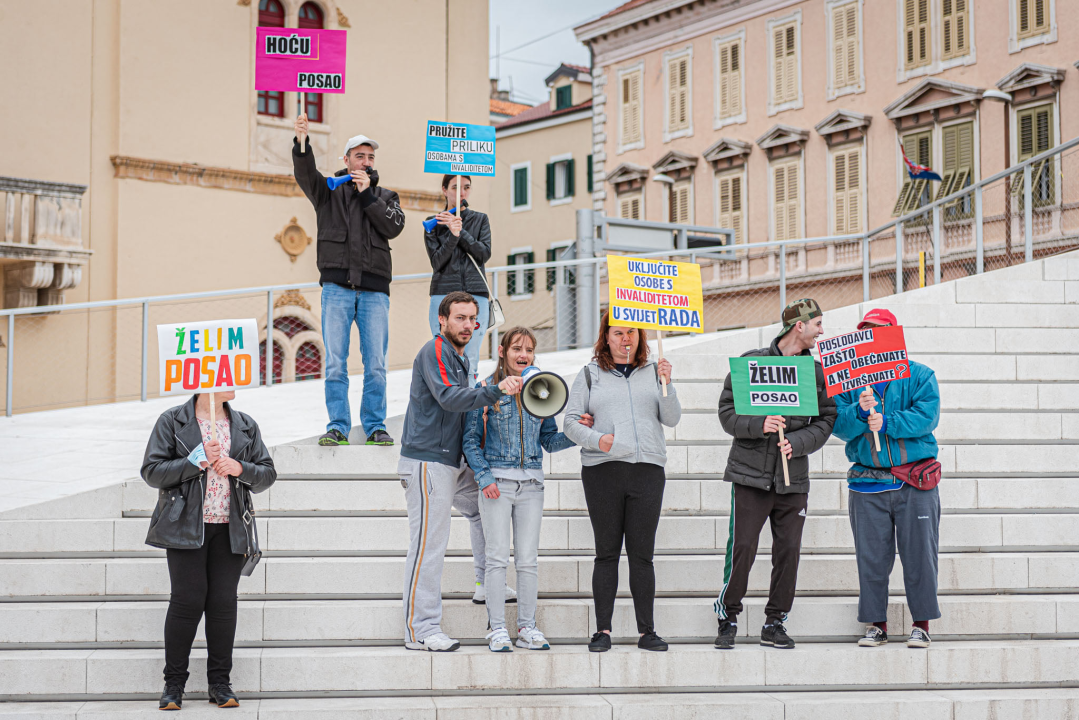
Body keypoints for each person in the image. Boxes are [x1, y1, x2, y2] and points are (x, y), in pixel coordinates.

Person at [399, 291, 524, 651]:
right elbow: (450, 398)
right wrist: (493, 392)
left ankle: (486, 584)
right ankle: (420, 629)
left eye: (473, 318)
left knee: (487, 509)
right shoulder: (435, 349)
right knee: (428, 546)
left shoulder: (460, 357)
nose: (468, 325)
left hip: (453, 461)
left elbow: (464, 401)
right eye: (460, 318)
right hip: (428, 461)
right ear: (442, 320)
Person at [713, 298, 836, 651]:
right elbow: (726, 413)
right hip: (750, 477)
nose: (821, 331)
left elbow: (827, 419)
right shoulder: (752, 363)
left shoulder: (815, 372)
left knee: (789, 551)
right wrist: (759, 424)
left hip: (792, 479)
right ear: (800, 325)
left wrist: (797, 443)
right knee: (744, 548)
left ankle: (775, 621)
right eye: (817, 324)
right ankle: (728, 616)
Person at [141, 391, 276, 711]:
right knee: (187, 602)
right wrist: (192, 461)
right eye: (223, 374)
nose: (232, 382)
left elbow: (267, 473)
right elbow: (152, 471)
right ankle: (173, 684)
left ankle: (220, 683)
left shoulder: (244, 425)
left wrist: (240, 467)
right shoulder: (172, 421)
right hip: (186, 527)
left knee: (223, 604)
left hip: (230, 528)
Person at [462, 327, 593, 652]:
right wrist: (484, 477)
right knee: (495, 559)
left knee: (527, 561)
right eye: (517, 348)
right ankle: (496, 629)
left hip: (532, 484)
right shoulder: (486, 390)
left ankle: (527, 627)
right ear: (503, 351)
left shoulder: (541, 388)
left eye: (530, 350)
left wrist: (577, 432)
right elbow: (469, 441)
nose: (524, 355)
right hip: (497, 485)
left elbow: (548, 440)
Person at [563, 312, 681, 653]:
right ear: (606, 336)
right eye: (618, 332)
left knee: (642, 555)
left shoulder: (653, 371)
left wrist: (667, 384)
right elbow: (571, 422)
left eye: (631, 331)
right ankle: (603, 630)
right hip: (603, 471)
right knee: (607, 553)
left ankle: (647, 631)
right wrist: (600, 441)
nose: (625, 338)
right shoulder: (589, 374)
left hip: (647, 470)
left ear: (640, 335)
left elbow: (671, 419)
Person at [293, 112, 405, 448]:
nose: (366, 161)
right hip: (337, 288)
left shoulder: (386, 196)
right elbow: (304, 173)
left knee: (375, 365)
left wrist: (368, 195)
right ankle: (338, 426)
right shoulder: (328, 191)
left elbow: (394, 227)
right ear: (346, 159)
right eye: (360, 155)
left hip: (374, 291)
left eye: (371, 157)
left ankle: (375, 426)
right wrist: (301, 143)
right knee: (336, 364)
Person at [832, 308, 942, 649]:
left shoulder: (920, 375)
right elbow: (837, 425)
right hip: (867, 483)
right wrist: (860, 413)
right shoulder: (849, 383)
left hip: (915, 481)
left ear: (894, 334)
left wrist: (888, 421)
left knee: (920, 555)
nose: (871, 337)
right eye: (866, 331)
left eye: (878, 331)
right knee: (871, 557)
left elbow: (928, 417)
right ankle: (876, 625)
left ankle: (921, 624)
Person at [425, 175, 492, 385]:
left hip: (475, 294)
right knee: (443, 356)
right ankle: (446, 404)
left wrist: (461, 231)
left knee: (471, 357)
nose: (461, 192)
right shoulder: (433, 224)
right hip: (443, 293)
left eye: (466, 187)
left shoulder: (480, 219)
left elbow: (483, 254)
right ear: (444, 190)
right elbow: (437, 262)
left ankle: (469, 411)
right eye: (455, 187)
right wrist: (452, 235)